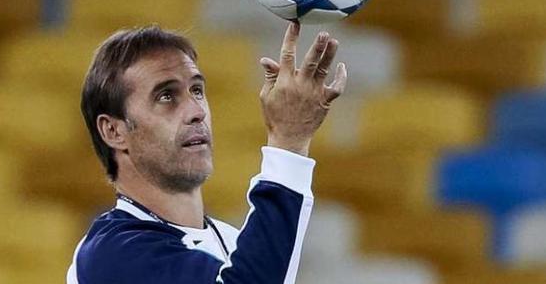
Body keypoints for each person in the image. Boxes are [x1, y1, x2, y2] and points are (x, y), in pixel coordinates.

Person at [67, 22, 347, 284]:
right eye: (166, 96)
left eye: (197, 91)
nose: (196, 111)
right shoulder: (111, 254)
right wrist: (289, 141)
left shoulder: (229, 240)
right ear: (113, 131)